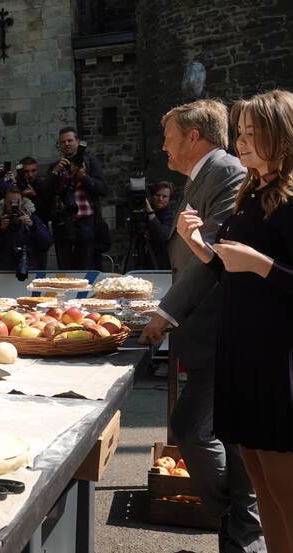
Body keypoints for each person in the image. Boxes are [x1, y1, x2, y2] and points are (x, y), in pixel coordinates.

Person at [140, 99, 265, 553]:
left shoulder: (228, 173)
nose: (164, 147)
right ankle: (240, 528)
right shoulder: (203, 177)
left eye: (170, 137)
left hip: (223, 331)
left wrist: (165, 314)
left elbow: (209, 260)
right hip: (208, 331)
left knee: (197, 430)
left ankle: (242, 525)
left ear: (194, 137)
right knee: (216, 437)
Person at [175, 90, 293, 553]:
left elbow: (260, 268)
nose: (241, 143)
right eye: (240, 133)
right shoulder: (254, 190)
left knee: (285, 495)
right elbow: (232, 269)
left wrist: (261, 265)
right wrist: (202, 245)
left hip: (275, 362)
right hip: (243, 355)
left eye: (252, 134)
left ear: (281, 136)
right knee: (264, 493)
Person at [46, 127, 107, 269]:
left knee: (87, 268)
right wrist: (55, 172)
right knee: (66, 270)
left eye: (70, 140)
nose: (66, 144)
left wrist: (84, 177)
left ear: (77, 142)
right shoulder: (55, 167)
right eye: (63, 142)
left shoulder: (90, 162)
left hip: (87, 221)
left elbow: (103, 189)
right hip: (63, 224)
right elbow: (46, 193)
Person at [0, 185, 53, 274]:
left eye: (16, 203)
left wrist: (33, 227)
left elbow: (47, 243)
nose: (14, 206)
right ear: (5, 202)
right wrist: (0, 230)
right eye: (10, 203)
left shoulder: (32, 218)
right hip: (2, 272)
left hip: (28, 269)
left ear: (22, 202)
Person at [144, 181, 176, 269]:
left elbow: (162, 235)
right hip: (144, 258)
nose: (160, 199)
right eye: (157, 195)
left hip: (161, 260)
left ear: (169, 198)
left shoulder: (171, 214)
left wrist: (150, 212)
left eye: (164, 196)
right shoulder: (143, 211)